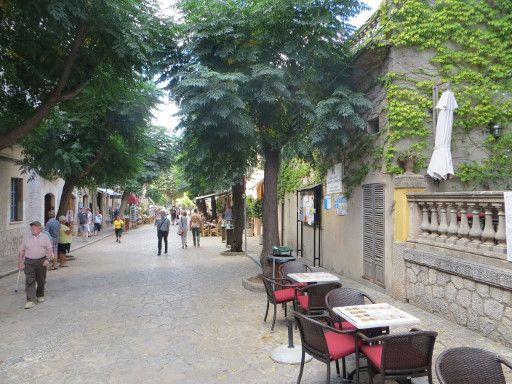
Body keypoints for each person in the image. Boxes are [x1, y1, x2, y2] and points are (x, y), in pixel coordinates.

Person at [18, 221, 54, 309]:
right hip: (29, 262)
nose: (33, 229)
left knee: (41, 280)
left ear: (40, 228)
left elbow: (50, 249)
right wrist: (20, 262)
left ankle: (40, 295)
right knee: (29, 280)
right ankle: (30, 300)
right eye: (32, 228)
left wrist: (47, 259)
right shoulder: (26, 237)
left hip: (41, 261)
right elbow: (22, 251)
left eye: (35, 227)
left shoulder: (45, 237)